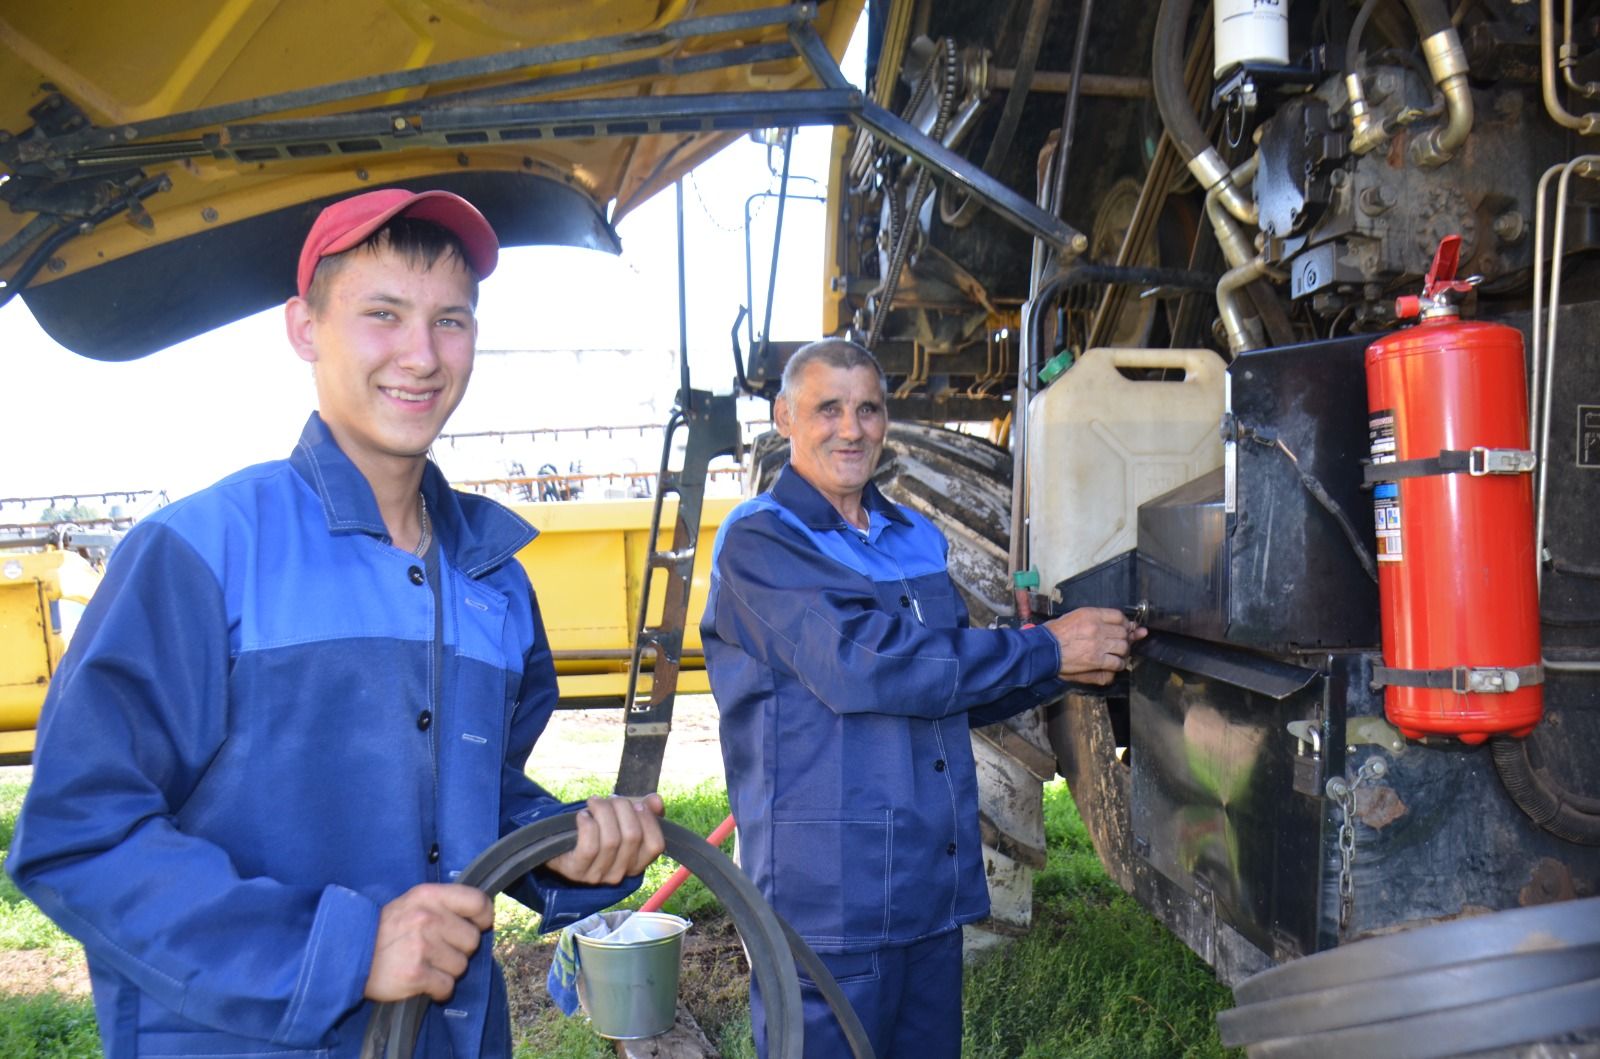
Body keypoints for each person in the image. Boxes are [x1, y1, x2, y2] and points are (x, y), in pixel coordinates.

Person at [7, 188, 666, 1059]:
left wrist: (563, 850)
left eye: (452, 321)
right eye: (382, 314)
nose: (421, 355)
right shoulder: (202, 552)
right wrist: (344, 951)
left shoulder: (492, 579)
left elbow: (473, 793)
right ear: (303, 328)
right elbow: (79, 835)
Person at [702, 338, 1144, 1058]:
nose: (852, 429)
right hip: (831, 900)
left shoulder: (914, 538)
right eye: (829, 409)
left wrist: (1076, 662)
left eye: (869, 409)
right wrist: (1049, 646)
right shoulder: (760, 541)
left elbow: (944, 684)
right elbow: (867, 665)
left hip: (926, 888)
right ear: (784, 415)